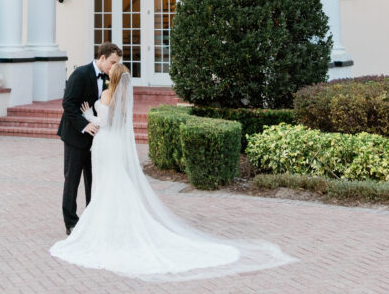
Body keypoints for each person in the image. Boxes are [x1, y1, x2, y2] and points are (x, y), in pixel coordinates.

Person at [51, 63, 295, 280]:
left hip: (104, 143)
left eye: (113, 69)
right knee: (115, 183)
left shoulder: (106, 95)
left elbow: (104, 122)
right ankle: (116, 226)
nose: (110, 69)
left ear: (112, 78)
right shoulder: (123, 99)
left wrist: (87, 115)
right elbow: (118, 122)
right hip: (114, 146)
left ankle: (103, 228)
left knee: (105, 183)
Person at [57, 42, 122, 235]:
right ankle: (71, 222)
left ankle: (91, 218)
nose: (114, 67)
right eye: (112, 62)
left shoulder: (110, 78)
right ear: (102, 58)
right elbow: (68, 104)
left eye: (117, 64)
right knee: (72, 180)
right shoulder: (80, 74)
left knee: (93, 180)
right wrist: (85, 125)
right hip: (75, 136)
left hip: (97, 140)